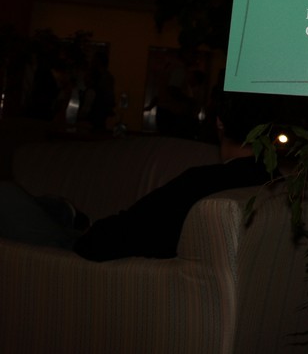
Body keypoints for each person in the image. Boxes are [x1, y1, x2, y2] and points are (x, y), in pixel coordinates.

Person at [0, 96, 274, 261]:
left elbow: (132, 231)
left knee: (5, 194)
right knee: (40, 207)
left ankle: (66, 214)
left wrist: (91, 234)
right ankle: (63, 212)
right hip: (104, 238)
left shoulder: (202, 183)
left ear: (219, 123)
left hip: (84, 251)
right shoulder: (271, 180)